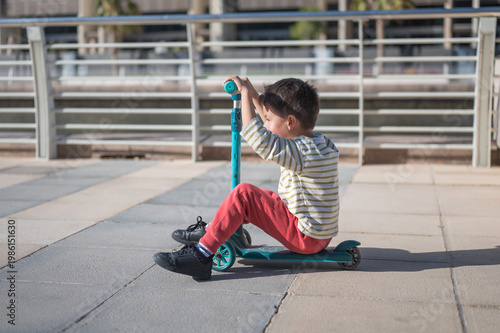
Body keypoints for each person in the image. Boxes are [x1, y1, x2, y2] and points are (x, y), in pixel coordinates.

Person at [153, 76, 340, 280]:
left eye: (268, 121)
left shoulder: (299, 152)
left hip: (304, 237)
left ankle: (201, 255)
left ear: (291, 122)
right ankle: (213, 229)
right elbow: (275, 123)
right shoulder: (319, 143)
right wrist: (253, 94)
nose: (265, 124)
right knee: (264, 198)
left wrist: (243, 96)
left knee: (244, 194)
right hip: (320, 235)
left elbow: (260, 140)